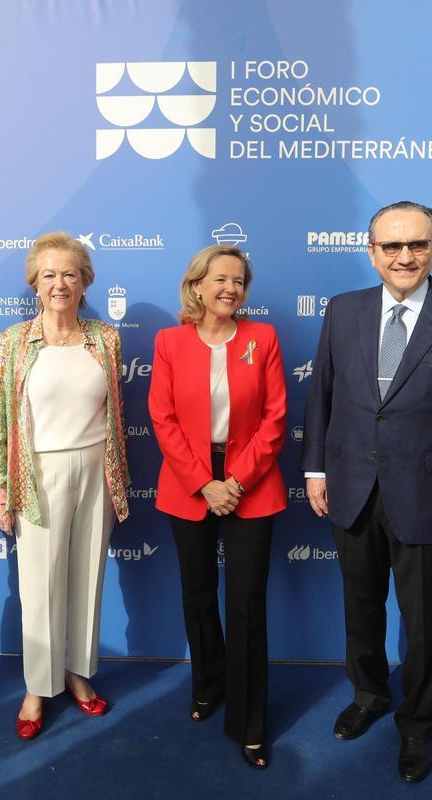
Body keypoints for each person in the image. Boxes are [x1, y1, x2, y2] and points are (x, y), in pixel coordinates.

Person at [301, 200, 432, 782]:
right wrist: (315, 470)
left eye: (417, 244)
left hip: (431, 496)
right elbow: (323, 396)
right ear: (372, 253)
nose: (404, 256)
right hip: (352, 488)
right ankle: (369, 695)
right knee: (360, 608)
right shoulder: (343, 310)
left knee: (425, 621)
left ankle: (417, 724)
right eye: (391, 246)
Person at [0, 231, 130, 741]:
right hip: (37, 474)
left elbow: (114, 414)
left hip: (95, 469)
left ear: (85, 282)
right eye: (49, 275)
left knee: (87, 578)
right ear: (35, 283)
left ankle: (76, 672)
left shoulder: (105, 339)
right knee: (40, 585)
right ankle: (37, 687)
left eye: (70, 274)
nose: (59, 284)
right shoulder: (14, 341)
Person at [148, 245, 287, 770]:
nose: (231, 288)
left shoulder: (263, 338)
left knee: (247, 602)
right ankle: (208, 684)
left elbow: (276, 419)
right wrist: (204, 483)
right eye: (221, 279)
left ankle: (249, 722)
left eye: (239, 281)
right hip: (190, 481)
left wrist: (236, 480)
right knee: (198, 593)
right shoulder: (169, 342)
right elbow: (162, 419)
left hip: (251, 480)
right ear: (198, 286)